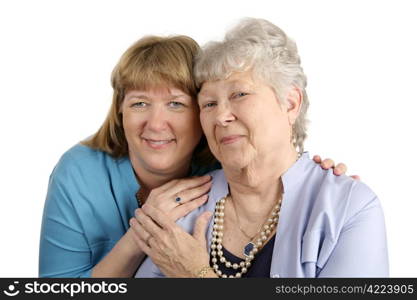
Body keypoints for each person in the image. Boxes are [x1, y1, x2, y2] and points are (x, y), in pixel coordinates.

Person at [39, 32, 347, 278]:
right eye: (139, 104)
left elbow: (270, 155)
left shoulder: (222, 168)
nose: (156, 124)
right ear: (119, 111)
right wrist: (144, 232)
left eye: (176, 104)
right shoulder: (79, 173)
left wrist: (320, 180)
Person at [133, 18, 388, 278]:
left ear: (290, 103)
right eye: (209, 104)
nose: (221, 116)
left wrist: (195, 274)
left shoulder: (348, 208)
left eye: (239, 95)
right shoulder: (184, 205)